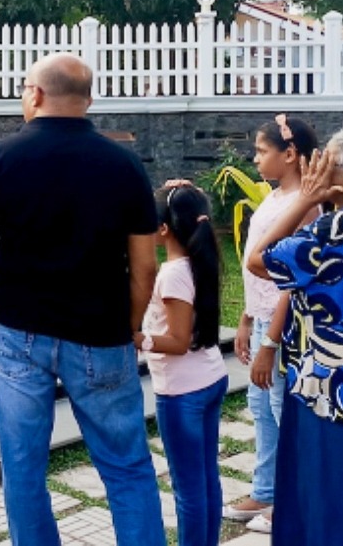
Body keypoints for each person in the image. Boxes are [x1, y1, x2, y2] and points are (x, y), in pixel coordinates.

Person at [0, 53, 165, 546]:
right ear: (87, 101)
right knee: (127, 465)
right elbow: (146, 267)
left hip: (17, 330)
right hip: (101, 332)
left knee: (24, 470)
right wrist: (129, 324)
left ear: (35, 94)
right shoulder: (125, 165)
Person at [247, 126, 343, 546]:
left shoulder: (335, 229)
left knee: (330, 509)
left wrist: (306, 196)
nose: (316, 169)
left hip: (334, 393)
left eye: (327, 163)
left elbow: (259, 259)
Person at [225, 114, 319, 534]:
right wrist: (246, 318)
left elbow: (292, 279)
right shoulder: (277, 196)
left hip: (283, 326)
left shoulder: (305, 205)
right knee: (261, 410)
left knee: (284, 411)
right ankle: (265, 489)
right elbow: (253, 263)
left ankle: (295, 502)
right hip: (261, 317)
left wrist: (269, 344)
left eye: (263, 151)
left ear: (291, 153)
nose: (256, 159)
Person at [137, 183, 228, 546]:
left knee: (189, 488)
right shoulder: (196, 260)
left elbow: (177, 341)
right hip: (209, 378)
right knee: (206, 477)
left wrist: (137, 338)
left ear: (163, 229)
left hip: (182, 392)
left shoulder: (173, 273)